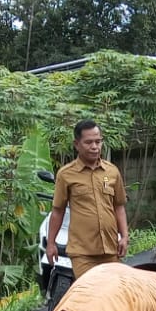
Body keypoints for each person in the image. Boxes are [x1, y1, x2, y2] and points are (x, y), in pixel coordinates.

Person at [44, 120, 129, 280]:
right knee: (90, 292)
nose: (95, 146)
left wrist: (124, 236)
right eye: (89, 142)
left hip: (111, 250)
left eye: (98, 141)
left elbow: (118, 206)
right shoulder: (66, 174)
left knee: (113, 292)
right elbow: (58, 211)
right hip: (82, 253)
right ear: (77, 144)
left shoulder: (112, 172)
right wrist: (51, 243)